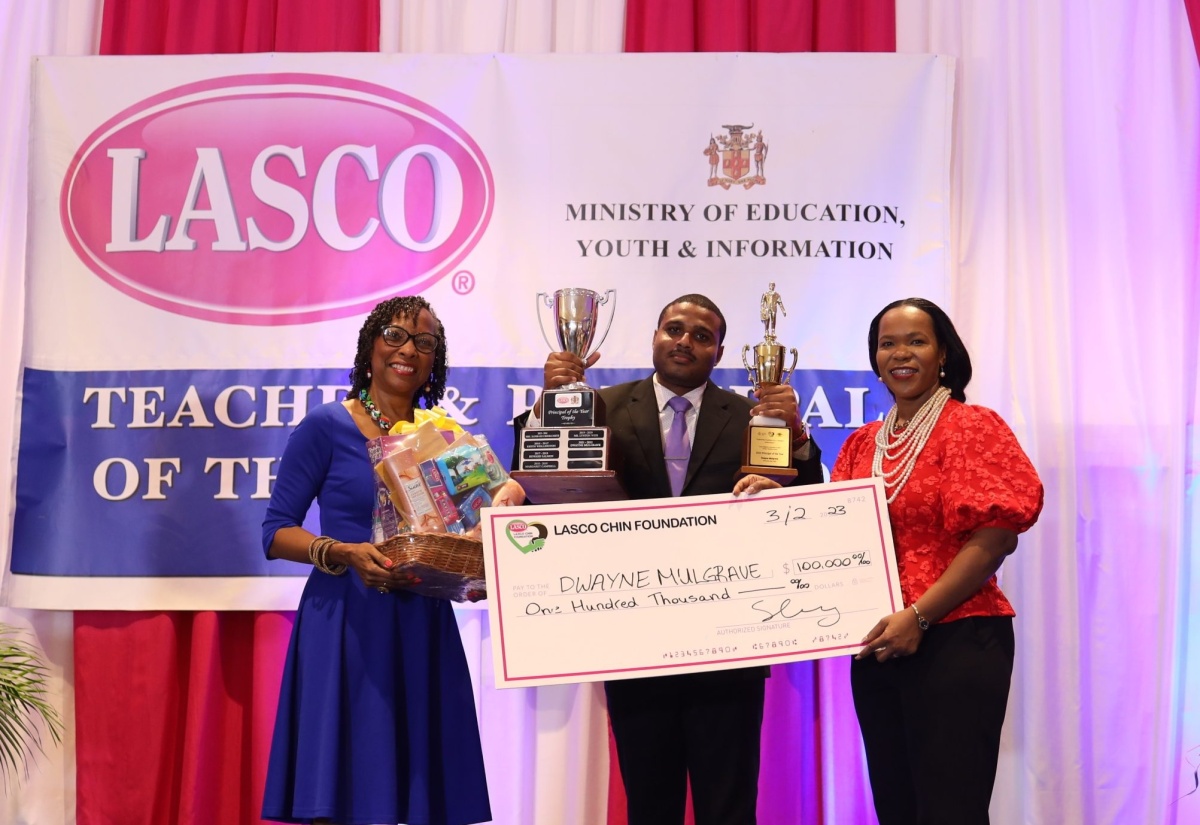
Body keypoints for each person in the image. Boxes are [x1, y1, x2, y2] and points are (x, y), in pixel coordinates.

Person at [513, 293, 823, 825]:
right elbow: (534, 471)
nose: (685, 342)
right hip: (635, 641)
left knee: (728, 808)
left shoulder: (754, 418)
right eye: (673, 329)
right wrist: (549, 403)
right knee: (649, 805)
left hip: (730, 643)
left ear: (720, 352)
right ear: (655, 336)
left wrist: (793, 431)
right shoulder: (603, 404)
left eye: (701, 336)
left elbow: (807, 492)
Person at [261, 295, 524, 825]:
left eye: (424, 342)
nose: (408, 350)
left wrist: (508, 494)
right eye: (396, 336)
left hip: (421, 619)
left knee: (420, 796)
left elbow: (477, 518)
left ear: (434, 360)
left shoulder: (445, 438)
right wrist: (340, 552)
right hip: (346, 622)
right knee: (345, 790)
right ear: (371, 347)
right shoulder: (326, 426)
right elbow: (275, 532)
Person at [834, 297, 1043, 824]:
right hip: (880, 645)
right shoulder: (863, 445)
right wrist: (772, 501)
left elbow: (996, 538)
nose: (900, 353)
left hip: (956, 637)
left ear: (943, 353)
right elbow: (833, 532)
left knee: (952, 811)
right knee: (897, 809)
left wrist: (920, 615)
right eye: (887, 343)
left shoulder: (972, 427)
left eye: (916, 341)